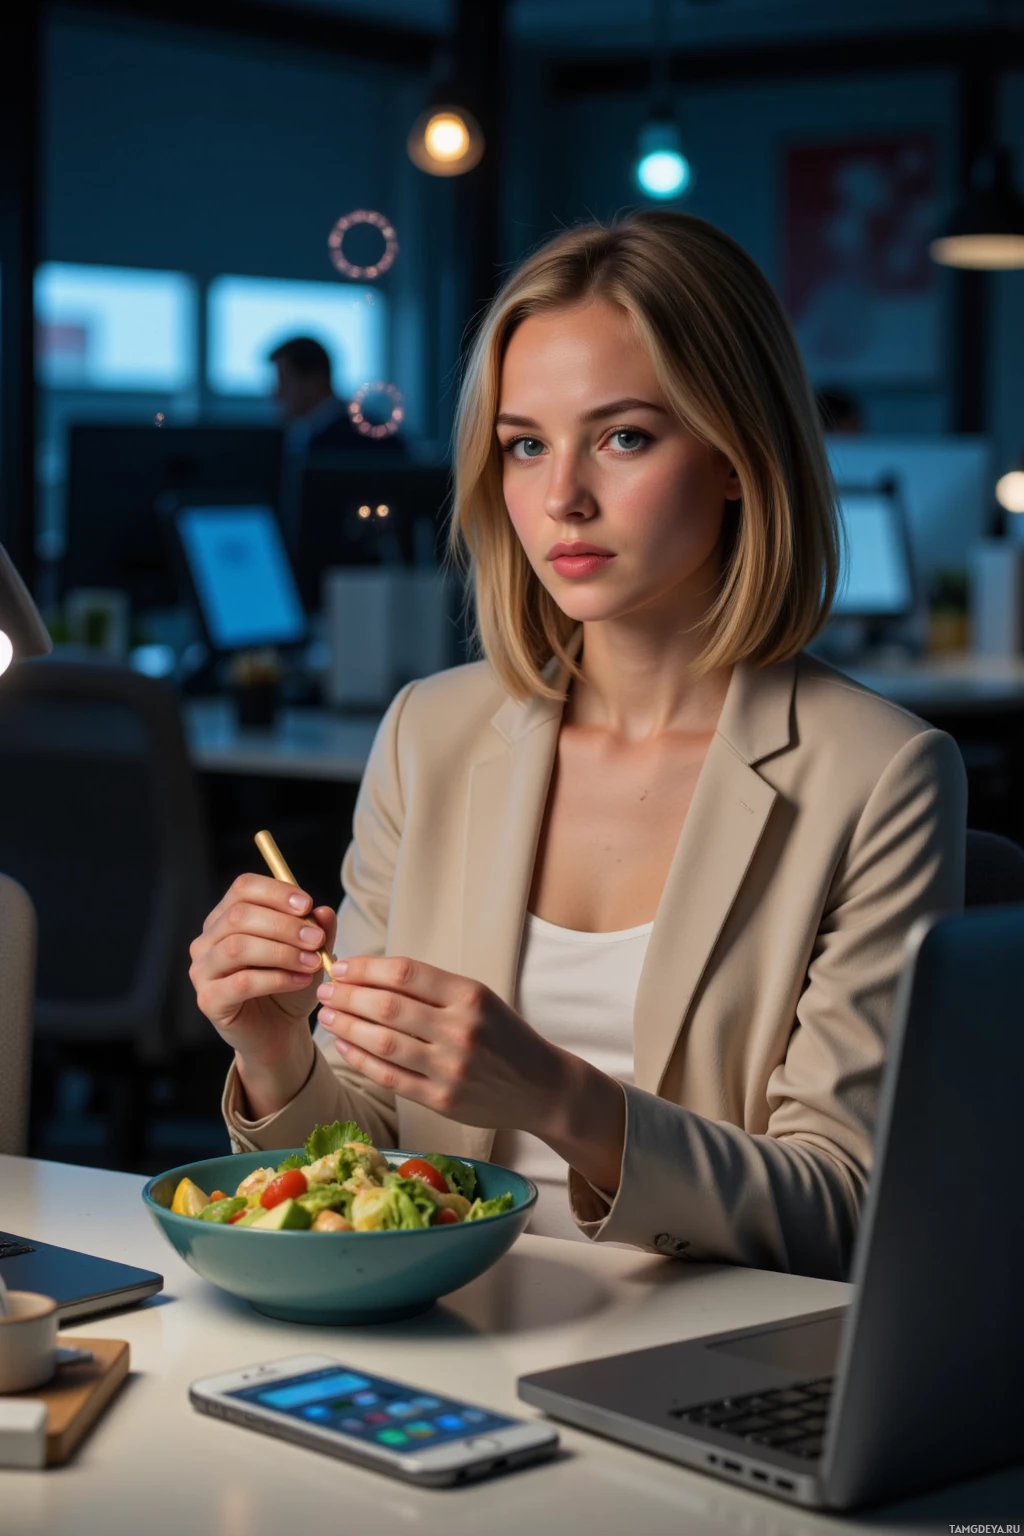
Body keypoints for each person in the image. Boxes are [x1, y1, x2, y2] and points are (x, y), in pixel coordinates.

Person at [190, 212, 965, 1281]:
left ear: (740, 455)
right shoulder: (431, 734)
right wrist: (275, 1055)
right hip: (440, 1340)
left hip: (698, 1362)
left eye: (624, 436)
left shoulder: (880, 776)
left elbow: (844, 1205)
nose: (561, 499)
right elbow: (366, 1166)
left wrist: (560, 1100)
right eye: (524, 445)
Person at [269, 335, 376, 456]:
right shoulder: (305, 433)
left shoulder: (360, 436)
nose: (277, 393)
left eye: (283, 382)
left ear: (314, 382)